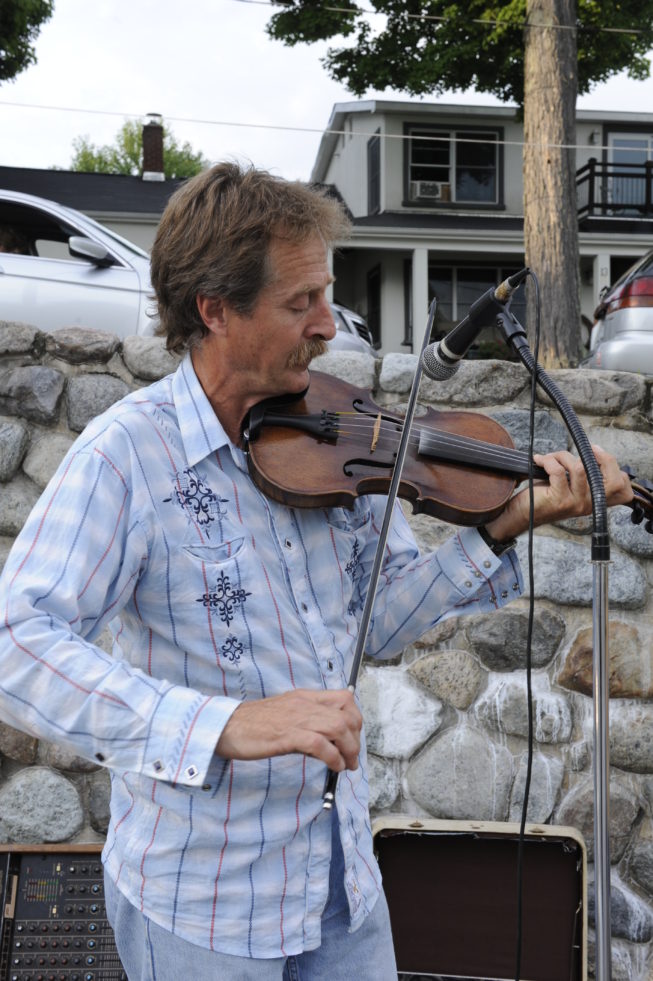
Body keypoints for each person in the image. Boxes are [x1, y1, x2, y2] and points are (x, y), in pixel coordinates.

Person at [0, 162, 633, 981]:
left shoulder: (339, 429)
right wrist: (221, 724)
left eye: (325, 295)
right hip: (203, 906)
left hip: (340, 887)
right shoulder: (127, 456)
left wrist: (501, 527)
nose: (328, 325)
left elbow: (379, 620)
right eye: (300, 302)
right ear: (214, 309)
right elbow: (17, 643)